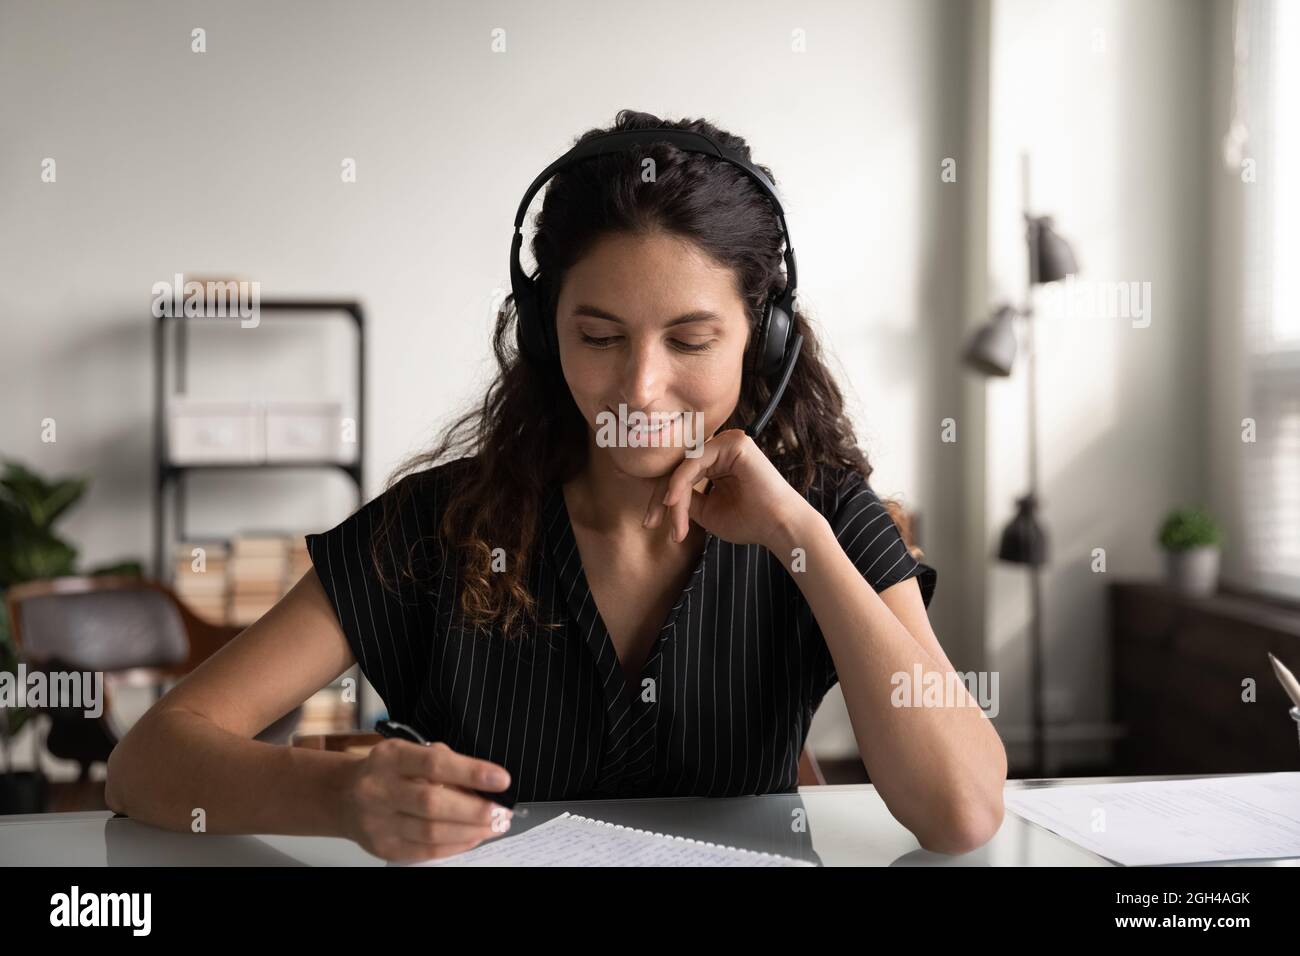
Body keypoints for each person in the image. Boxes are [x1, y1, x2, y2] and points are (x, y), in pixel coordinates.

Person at [107, 109, 1007, 862]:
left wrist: (798, 537)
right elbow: (149, 763)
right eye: (600, 335)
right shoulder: (437, 530)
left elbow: (961, 811)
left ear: (763, 342)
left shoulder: (823, 514)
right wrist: (342, 792)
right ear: (545, 335)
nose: (639, 388)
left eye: (690, 341)